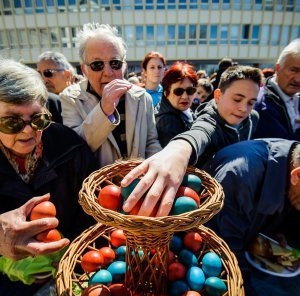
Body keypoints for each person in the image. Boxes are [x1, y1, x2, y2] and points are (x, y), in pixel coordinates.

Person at [0, 59, 97, 296]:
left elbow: (91, 215)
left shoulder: (70, 148)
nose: (27, 130)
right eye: (11, 122)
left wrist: (70, 259)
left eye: (37, 119)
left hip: (69, 271)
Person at [121, 65, 263, 217]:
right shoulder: (203, 121)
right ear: (218, 96)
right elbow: (199, 133)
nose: (243, 108)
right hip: (207, 205)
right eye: (237, 99)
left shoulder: (253, 117)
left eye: (251, 102)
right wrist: (178, 150)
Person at [203, 139, 300, 296]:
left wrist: (271, 233)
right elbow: (224, 253)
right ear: (297, 175)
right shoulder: (240, 174)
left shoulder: (290, 157)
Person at [60, 23, 162, 167]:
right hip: (97, 187)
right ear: (85, 70)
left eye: (115, 63)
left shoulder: (143, 97)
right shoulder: (70, 99)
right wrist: (103, 111)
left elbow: (151, 142)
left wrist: (155, 170)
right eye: (97, 65)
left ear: (124, 66)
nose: (108, 72)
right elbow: (74, 148)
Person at [254, 38, 300, 140]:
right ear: (278, 68)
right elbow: (283, 147)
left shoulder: (296, 98)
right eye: (293, 70)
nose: (298, 79)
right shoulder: (262, 104)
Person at [155, 61, 197, 147]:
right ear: (166, 93)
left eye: (190, 91)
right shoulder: (167, 121)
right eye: (178, 91)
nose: (185, 96)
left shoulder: (182, 109)